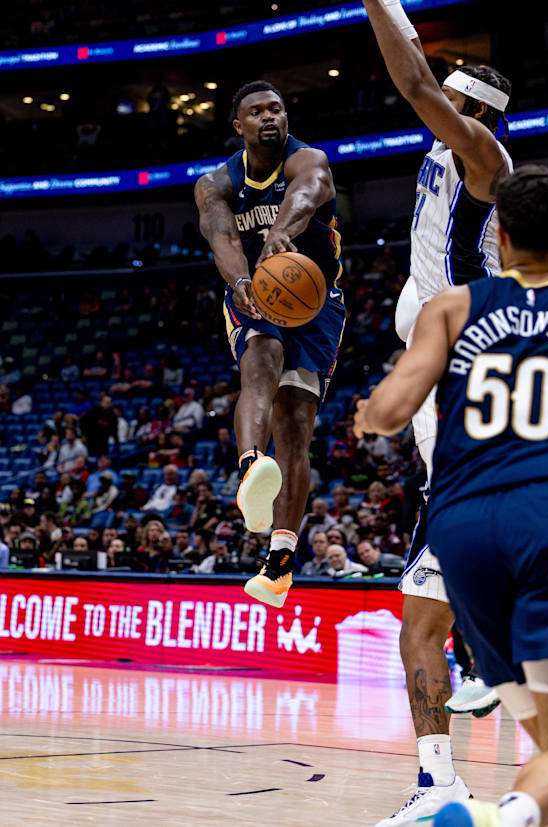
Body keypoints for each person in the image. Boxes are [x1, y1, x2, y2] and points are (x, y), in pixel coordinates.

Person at [354, 165, 548, 827]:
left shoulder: (452, 307)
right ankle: (500, 817)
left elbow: (387, 413)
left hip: (462, 530)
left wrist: (367, 410)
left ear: (498, 236)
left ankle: (498, 805)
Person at [361, 0, 514, 818]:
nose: (434, 112)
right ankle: (437, 787)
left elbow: (415, 77)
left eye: (451, 104)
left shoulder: (485, 157)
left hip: (471, 376)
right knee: (419, 615)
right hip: (437, 385)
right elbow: (422, 79)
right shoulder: (442, 155)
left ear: (474, 114)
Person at [195, 79, 345, 608]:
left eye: (277, 108)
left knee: (297, 424)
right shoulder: (216, 182)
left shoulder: (308, 159)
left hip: (317, 299)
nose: (269, 117)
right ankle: (251, 466)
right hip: (252, 289)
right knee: (262, 355)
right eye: (257, 111)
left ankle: (280, 560)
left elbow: (309, 192)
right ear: (239, 126)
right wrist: (242, 284)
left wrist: (282, 232)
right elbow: (222, 237)